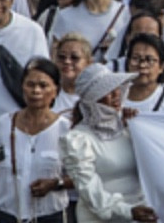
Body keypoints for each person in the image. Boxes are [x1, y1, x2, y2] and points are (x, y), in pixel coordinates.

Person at [62, 65, 155, 223]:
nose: (116, 94)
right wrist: (128, 211)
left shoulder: (128, 128)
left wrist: (135, 130)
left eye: (116, 88)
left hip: (139, 213)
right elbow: (89, 189)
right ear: (93, 99)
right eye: (107, 91)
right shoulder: (78, 139)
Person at [0, 58, 70, 223]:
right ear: (22, 87)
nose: (36, 91)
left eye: (43, 85)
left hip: (49, 217)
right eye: (30, 85)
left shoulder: (66, 129)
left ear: (55, 91)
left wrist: (55, 184)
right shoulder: (3, 124)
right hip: (5, 215)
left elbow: (79, 177)